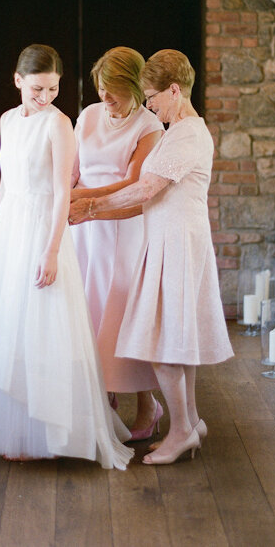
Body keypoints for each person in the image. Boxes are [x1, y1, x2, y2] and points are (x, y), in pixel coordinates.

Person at [0, 44, 133, 469]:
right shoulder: (6, 120)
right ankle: (14, 428)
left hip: (43, 231)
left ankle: (46, 430)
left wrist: (50, 252)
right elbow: (4, 183)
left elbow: (61, 193)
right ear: (17, 81)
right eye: (37, 88)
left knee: (41, 326)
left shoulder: (59, 124)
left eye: (53, 88)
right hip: (10, 228)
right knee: (8, 325)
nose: (45, 96)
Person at [69, 49, 233, 465]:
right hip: (166, 239)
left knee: (164, 344)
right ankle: (189, 424)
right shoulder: (178, 129)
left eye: (153, 96)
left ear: (174, 91)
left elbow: (144, 190)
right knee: (175, 340)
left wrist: (89, 208)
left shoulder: (188, 134)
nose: (151, 105)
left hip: (177, 242)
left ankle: (180, 431)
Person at [70, 47, 165, 441]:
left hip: (122, 225)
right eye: (101, 88)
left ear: (135, 88)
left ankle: (148, 403)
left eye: (114, 90)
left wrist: (85, 200)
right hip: (84, 228)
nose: (106, 98)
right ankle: (101, 401)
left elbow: (132, 183)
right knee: (87, 309)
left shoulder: (149, 126)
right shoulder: (88, 116)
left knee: (121, 314)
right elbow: (73, 169)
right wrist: (66, 196)